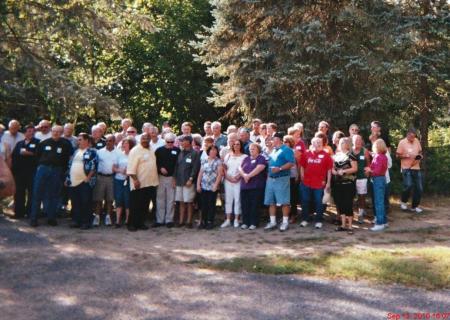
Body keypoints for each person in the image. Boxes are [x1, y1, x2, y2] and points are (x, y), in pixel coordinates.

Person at [30, 125, 72, 227]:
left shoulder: (66, 144)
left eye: (58, 132)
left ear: (62, 133)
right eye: (54, 131)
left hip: (57, 170)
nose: (55, 133)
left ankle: (51, 218)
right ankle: (34, 218)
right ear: (51, 131)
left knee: (54, 195)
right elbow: (37, 156)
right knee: (37, 193)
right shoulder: (44, 143)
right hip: (43, 169)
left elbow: (68, 158)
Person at [126, 133, 159, 232]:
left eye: (147, 138)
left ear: (150, 139)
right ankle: (131, 224)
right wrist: (135, 179)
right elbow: (131, 168)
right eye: (143, 138)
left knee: (145, 205)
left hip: (150, 183)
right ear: (140, 139)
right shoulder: (135, 151)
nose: (145, 140)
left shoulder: (151, 149)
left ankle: (141, 223)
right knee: (135, 204)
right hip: (139, 183)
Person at [263, 132, 295, 232]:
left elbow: (291, 163)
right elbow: (270, 164)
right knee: (271, 201)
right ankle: (272, 222)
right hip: (271, 179)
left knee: (284, 201)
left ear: (280, 139)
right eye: (273, 138)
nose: (273, 140)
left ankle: (285, 222)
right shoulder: (273, 150)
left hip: (282, 178)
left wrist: (280, 168)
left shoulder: (287, 149)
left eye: (275, 138)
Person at [299, 137, 333, 229]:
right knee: (305, 201)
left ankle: (318, 220)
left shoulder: (326, 155)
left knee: (319, 202)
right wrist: (302, 176)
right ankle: (305, 219)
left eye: (320, 142)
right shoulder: (306, 153)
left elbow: (329, 170)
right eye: (316, 142)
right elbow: (302, 166)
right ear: (312, 143)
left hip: (319, 184)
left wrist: (328, 182)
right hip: (306, 183)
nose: (318, 144)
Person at [66, 133, 98, 229]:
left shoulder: (92, 152)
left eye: (80, 139)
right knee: (75, 202)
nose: (78, 141)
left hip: (85, 182)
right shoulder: (75, 152)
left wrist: (88, 178)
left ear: (86, 141)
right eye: (78, 139)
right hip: (73, 181)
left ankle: (86, 222)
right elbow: (70, 165)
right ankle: (76, 221)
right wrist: (67, 178)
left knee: (85, 202)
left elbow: (94, 166)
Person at [11, 125, 40, 219]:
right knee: (19, 193)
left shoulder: (38, 143)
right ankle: (19, 213)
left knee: (32, 193)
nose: (31, 133)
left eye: (33, 131)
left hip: (32, 172)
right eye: (29, 131)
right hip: (19, 173)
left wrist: (30, 153)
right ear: (24, 133)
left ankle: (30, 213)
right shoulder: (19, 143)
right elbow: (14, 156)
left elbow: (40, 156)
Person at [173, 135, 200, 228]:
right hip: (179, 181)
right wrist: (174, 179)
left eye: (183, 141)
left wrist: (191, 179)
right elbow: (176, 167)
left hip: (188, 182)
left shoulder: (194, 153)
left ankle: (189, 221)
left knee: (189, 202)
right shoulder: (180, 153)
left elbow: (195, 167)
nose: (182, 143)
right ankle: (181, 221)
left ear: (189, 142)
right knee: (180, 201)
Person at [332, 138, 358, 234]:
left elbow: (355, 168)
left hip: (348, 183)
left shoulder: (351, 155)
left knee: (348, 204)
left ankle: (350, 226)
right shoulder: (336, 155)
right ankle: (343, 225)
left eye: (344, 142)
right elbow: (332, 168)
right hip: (337, 184)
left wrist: (344, 171)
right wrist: (334, 171)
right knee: (340, 204)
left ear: (348, 144)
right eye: (341, 142)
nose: (342, 143)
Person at [92, 134, 118, 226]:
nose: (108, 142)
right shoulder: (100, 152)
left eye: (110, 141)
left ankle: (108, 217)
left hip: (111, 178)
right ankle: (97, 217)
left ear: (114, 142)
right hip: (100, 177)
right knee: (98, 199)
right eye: (106, 141)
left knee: (109, 199)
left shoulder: (118, 152)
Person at [239, 143, 267, 229]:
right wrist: (244, 175)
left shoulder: (261, 158)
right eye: (250, 149)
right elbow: (239, 168)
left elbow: (259, 168)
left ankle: (253, 223)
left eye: (253, 148)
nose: (251, 150)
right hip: (245, 186)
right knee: (245, 205)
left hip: (256, 186)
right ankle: (245, 222)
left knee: (254, 205)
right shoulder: (246, 158)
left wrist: (248, 176)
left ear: (258, 149)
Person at [155, 133, 180, 228]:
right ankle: (159, 220)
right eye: (168, 141)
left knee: (170, 199)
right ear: (164, 141)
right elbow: (155, 163)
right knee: (160, 199)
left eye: (172, 142)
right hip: (160, 177)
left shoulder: (177, 151)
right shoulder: (159, 150)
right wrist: (160, 168)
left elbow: (178, 165)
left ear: (174, 142)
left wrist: (175, 178)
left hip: (172, 178)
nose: (170, 143)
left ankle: (169, 220)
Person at [396, 128, 423, 213]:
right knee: (408, 185)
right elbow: (397, 156)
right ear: (407, 135)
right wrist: (405, 156)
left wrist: (420, 156)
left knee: (419, 188)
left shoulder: (416, 141)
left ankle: (414, 206)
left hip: (416, 167)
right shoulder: (402, 142)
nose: (412, 139)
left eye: (414, 137)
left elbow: (420, 152)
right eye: (411, 137)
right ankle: (403, 202)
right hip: (406, 168)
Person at [221, 139, 247, 228]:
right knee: (228, 200)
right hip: (228, 180)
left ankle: (236, 219)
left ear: (241, 146)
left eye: (238, 144)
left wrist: (238, 176)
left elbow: (245, 168)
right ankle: (228, 220)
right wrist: (227, 177)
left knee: (237, 199)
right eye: (235, 144)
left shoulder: (244, 156)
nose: (236, 146)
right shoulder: (228, 155)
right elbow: (224, 167)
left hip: (238, 180)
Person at [196, 145, 223, 229]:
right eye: (211, 150)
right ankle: (203, 221)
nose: (213, 151)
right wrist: (198, 184)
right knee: (204, 204)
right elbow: (200, 173)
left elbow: (220, 174)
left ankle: (210, 221)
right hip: (204, 186)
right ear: (208, 151)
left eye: (215, 150)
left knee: (211, 204)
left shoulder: (218, 161)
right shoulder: (204, 160)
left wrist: (216, 185)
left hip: (213, 186)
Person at [365, 139, 388, 231]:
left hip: (378, 179)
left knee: (378, 202)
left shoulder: (378, 157)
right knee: (381, 201)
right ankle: (384, 221)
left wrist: (369, 170)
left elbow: (377, 171)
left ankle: (379, 223)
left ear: (377, 147)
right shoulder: (384, 156)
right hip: (382, 179)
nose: (373, 147)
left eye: (374, 146)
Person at [113, 137, 135, 228]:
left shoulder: (133, 155)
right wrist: (120, 170)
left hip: (130, 180)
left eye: (126, 143)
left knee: (128, 200)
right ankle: (117, 221)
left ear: (130, 145)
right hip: (119, 180)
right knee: (118, 199)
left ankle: (127, 220)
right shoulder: (119, 155)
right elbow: (113, 168)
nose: (123, 145)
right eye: (123, 143)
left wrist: (129, 172)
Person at [352, 134, 371, 223]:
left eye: (359, 140)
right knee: (350, 195)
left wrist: (367, 171)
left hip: (362, 177)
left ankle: (361, 214)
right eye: (356, 141)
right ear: (352, 141)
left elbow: (368, 163)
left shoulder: (365, 151)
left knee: (361, 196)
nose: (358, 142)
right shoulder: (350, 151)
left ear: (362, 141)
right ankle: (350, 214)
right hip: (351, 177)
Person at [283, 135, 300, 223]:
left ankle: (294, 215)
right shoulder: (281, 151)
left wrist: (298, 175)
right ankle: (287, 215)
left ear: (290, 143)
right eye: (284, 141)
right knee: (286, 197)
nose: (284, 143)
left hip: (293, 176)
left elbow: (299, 164)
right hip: (284, 177)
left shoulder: (295, 151)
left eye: (286, 141)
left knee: (293, 197)